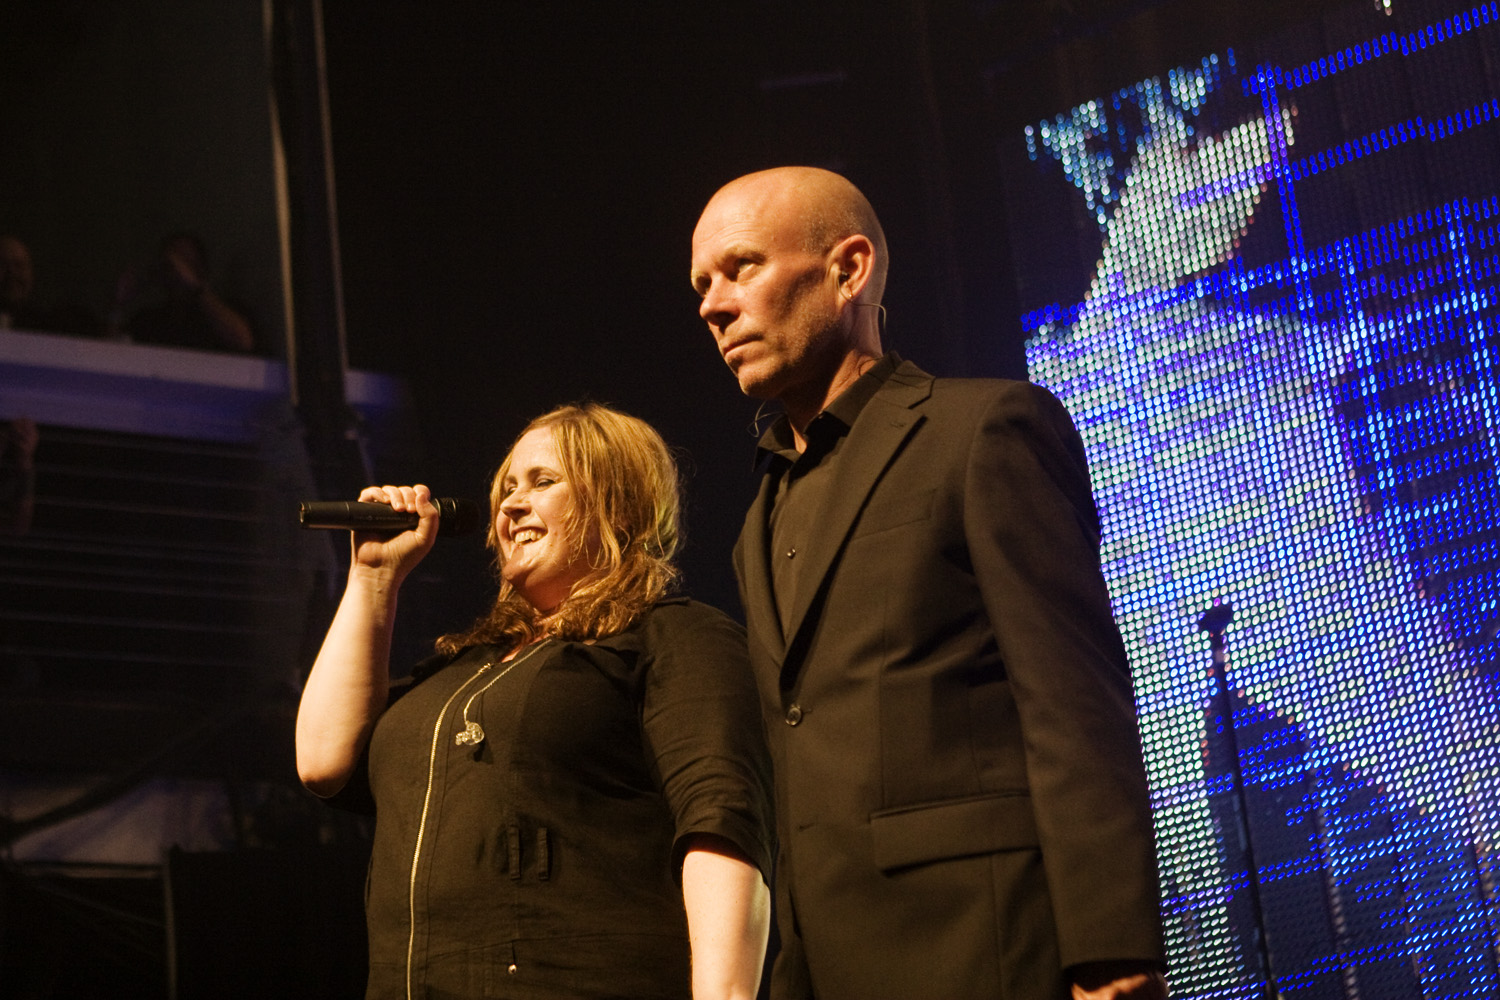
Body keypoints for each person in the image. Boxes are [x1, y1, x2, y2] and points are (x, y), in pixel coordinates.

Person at [688, 166, 1168, 1000]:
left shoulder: (981, 431)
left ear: (849, 269)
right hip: (834, 966)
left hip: (985, 944)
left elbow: (1073, 701)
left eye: (741, 268)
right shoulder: (757, 520)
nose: (713, 306)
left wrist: (1110, 946)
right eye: (701, 286)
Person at [296, 402, 774, 1000]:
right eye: (506, 489)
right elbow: (322, 763)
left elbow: (721, 823)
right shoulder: (459, 672)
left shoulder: (673, 636)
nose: (511, 505)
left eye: (543, 482)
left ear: (617, 502)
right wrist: (372, 579)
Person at [107, 231, 256, 352]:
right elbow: (109, 355)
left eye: (185, 261)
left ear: (201, 269)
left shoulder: (224, 314)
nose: (178, 271)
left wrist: (196, 288)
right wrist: (119, 304)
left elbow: (243, 341)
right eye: (171, 264)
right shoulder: (149, 321)